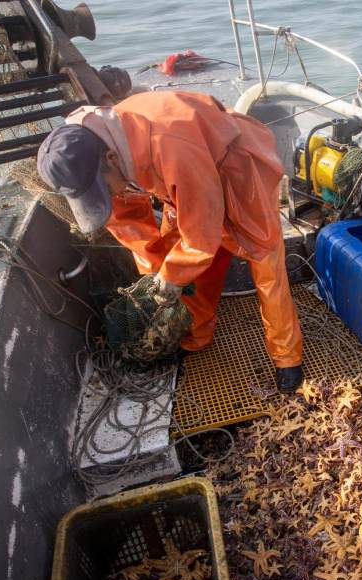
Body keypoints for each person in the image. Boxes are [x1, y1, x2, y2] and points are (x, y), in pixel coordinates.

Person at [37, 90, 304, 391]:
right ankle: (197, 336)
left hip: (238, 166)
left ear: (112, 159)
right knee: (186, 263)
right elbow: (128, 222)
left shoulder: (170, 146)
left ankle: (287, 358)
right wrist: (157, 273)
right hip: (179, 182)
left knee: (264, 259)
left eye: (104, 189)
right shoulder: (96, 148)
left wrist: (171, 277)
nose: (107, 196)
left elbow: (202, 236)